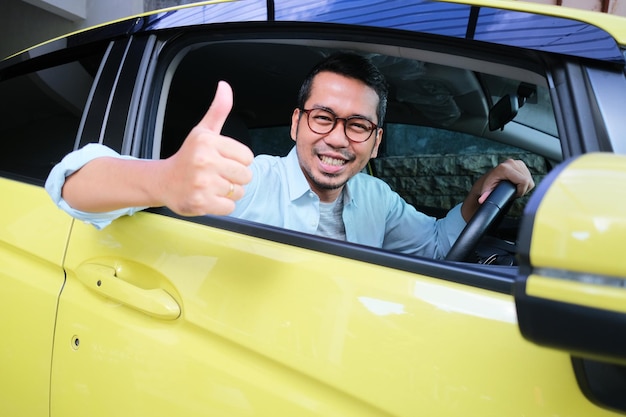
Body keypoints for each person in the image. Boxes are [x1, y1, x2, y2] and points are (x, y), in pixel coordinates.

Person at [46, 52, 534, 258]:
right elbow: (69, 186)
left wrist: (479, 197)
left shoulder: (375, 197)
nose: (339, 139)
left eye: (358, 125)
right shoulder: (250, 179)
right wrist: (164, 180)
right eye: (323, 117)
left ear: (376, 142)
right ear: (297, 123)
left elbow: (434, 246)